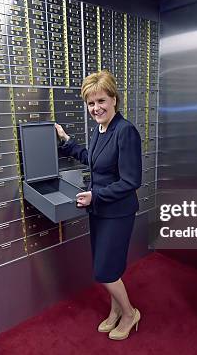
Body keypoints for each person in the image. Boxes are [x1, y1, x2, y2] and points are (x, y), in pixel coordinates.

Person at [55, 70, 142, 340]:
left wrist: (96, 196)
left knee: (104, 271)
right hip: (100, 211)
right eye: (91, 103)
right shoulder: (101, 130)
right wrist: (67, 142)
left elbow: (131, 180)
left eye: (101, 101)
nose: (96, 108)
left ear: (114, 99)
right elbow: (92, 159)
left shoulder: (125, 131)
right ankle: (116, 311)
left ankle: (129, 313)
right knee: (110, 267)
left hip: (117, 212)